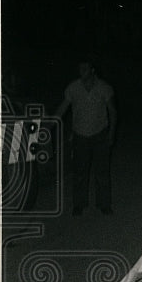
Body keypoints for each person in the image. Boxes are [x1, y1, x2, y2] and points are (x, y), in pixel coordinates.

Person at [54, 59, 116, 215]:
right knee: (80, 172)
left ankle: (104, 204)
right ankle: (79, 204)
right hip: (80, 135)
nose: (82, 71)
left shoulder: (104, 88)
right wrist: (51, 123)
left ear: (92, 70)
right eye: (80, 68)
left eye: (85, 68)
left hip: (100, 134)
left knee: (102, 172)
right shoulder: (73, 88)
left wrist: (111, 134)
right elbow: (63, 108)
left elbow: (113, 112)